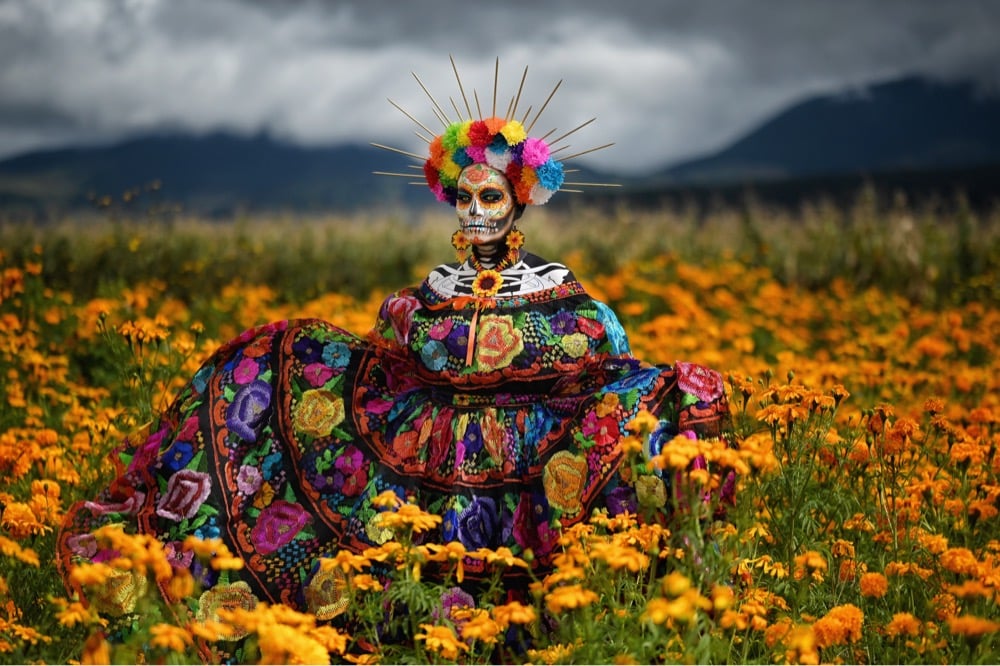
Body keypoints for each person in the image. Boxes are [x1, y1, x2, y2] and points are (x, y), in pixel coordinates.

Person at [57, 58, 733, 648]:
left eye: (491, 197)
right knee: (281, 355)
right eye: (465, 197)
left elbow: (593, 349)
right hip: (421, 433)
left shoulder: (556, 287)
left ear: (519, 203)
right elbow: (417, 343)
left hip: (530, 445)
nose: (475, 212)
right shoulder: (433, 288)